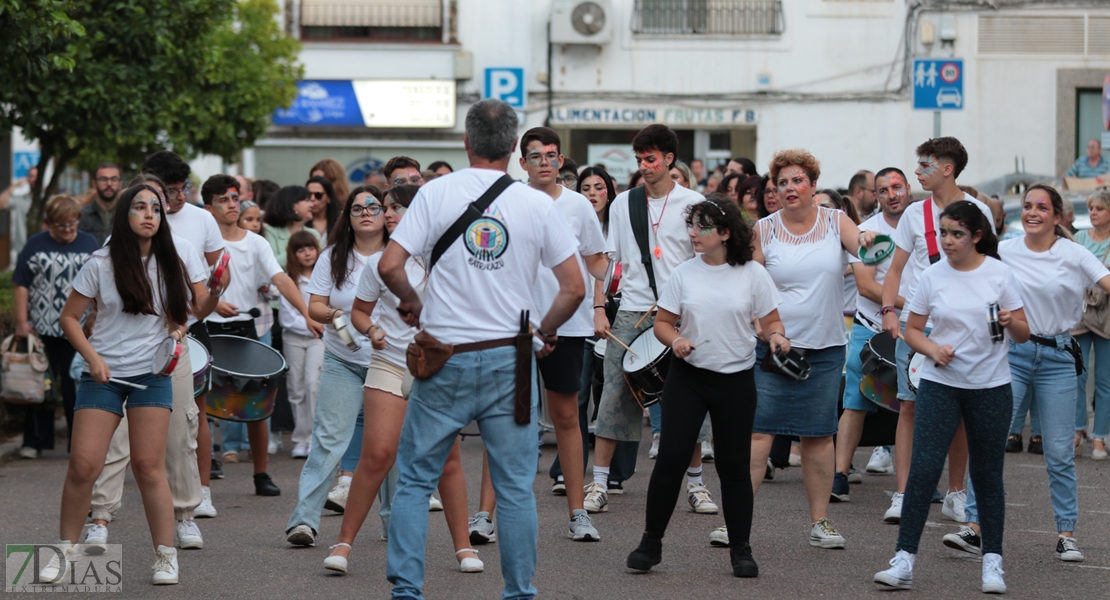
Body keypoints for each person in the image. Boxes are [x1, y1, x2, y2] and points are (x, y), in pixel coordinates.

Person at [377, 98, 583, 599]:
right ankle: (518, 592)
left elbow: (388, 265)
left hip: (442, 354)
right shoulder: (537, 203)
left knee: (414, 481)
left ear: (466, 143)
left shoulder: (433, 193)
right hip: (509, 358)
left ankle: (407, 591)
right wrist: (546, 330)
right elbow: (574, 287)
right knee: (514, 489)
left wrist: (412, 302)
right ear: (515, 148)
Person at [47, 181, 221, 585]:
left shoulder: (173, 261)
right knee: (82, 466)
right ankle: (64, 550)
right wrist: (92, 358)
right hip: (104, 377)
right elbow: (69, 318)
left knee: (148, 466)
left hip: (151, 375)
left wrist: (210, 297)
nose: (149, 215)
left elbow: (190, 313)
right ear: (124, 215)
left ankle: (164, 555)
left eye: (155, 210)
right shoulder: (101, 262)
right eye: (140, 207)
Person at [940, 185, 1109, 565]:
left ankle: (1066, 534)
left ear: (1058, 215)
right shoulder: (1006, 249)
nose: (1033, 212)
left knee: (1060, 451)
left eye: (1042, 207)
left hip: (1058, 356)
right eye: (1028, 206)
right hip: (1009, 354)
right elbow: (962, 266)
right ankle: (974, 527)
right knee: (989, 441)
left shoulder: (1074, 253)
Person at [324, 184, 481, 575]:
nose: (387, 213)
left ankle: (464, 549)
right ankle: (342, 544)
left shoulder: (447, 259)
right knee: (377, 455)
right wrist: (371, 330)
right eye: (386, 207)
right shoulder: (379, 262)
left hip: (440, 367)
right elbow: (359, 313)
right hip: (390, 363)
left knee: (447, 460)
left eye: (396, 207)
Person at [626, 198, 786, 578]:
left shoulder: (753, 274)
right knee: (670, 460)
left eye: (703, 226)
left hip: (736, 380)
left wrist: (778, 338)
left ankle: (741, 549)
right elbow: (663, 323)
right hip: (689, 378)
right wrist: (674, 340)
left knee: (733, 467)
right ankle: (651, 542)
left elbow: (772, 322)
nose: (694, 232)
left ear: (727, 232)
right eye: (692, 225)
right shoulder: (684, 273)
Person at [873, 200, 1028, 594]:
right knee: (924, 471)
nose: (947, 240)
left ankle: (993, 563)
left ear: (977, 236)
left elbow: (1025, 331)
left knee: (988, 476)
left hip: (992, 388)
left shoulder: (999, 273)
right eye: (943, 232)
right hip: (941, 385)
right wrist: (931, 349)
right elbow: (912, 330)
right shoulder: (932, 276)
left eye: (956, 233)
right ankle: (903, 560)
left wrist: (1013, 322)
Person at [743, 149, 873, 550]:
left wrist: (870, 239)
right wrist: (764, 330)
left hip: (825, 346)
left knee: (818, 436)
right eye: (781, 183)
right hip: (774, 347)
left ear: (813, 185)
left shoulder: (837, 221)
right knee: (758, 434)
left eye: (798, 180)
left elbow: (865, 247)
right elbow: (748, 285)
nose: (790, 188)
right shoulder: (762, 230)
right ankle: (737, 523)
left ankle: (821, 522)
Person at [584, 124, 712, 517]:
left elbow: (707, 260)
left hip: (681, 314)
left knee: (686, 398)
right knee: (614, 397)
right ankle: (600, 483)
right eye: (639, 160)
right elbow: (611, 262)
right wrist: (599, 307)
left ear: (670, 159)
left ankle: (697, 486)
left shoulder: (695, 202)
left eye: (651, 159)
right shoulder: (625, 203)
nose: (645, 166)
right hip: (634, 309)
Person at [879, 137, 994, 524]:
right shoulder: (914, 214)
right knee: (908, 407)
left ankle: (956, 492)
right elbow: (894, 270)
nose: (917, 171)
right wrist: (888, 311)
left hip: (962, 326)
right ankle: (903, 492)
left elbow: (991, 268)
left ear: (948, 168)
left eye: (925, 164)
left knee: (961, 411)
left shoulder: (978, 211)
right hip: (917, 324)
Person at [202, 174, 320, 496]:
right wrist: (214, 302)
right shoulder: (199, 242)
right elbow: (192, 285)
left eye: (234, 198)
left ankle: (261, 474)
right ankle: (207, 464)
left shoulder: (256, 242)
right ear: (209, 207)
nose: (231, 205)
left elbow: (281, 279)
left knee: (257, 402)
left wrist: (307, 312)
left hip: (250, 327)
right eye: (224, 200)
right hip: (207, 325)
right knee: (203, 403)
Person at [284, 184, 385, 546]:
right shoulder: (332, 256)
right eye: (358, 209)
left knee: (387, 447)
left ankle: (393, 523)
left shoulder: (399, 254)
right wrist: (336, 315)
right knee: (328, 441)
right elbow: (314, 306)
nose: (366, 213)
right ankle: (304, 522)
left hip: (388, 363)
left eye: (373, 206)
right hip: (343, 359)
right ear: (349, 217)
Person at [830, 168, 910, 502]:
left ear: (907, 189)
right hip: (871, 327)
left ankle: (918, 478)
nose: (892, 194)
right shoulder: (867, 232)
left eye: (897, 187)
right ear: (874, 196)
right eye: (883, 190)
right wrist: (917, 305)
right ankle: (840, 475)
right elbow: (865, 286)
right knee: (856, 402)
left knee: (913, 406)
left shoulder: (925, 226)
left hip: (915, 330)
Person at [13, 195, 100, 459]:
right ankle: (35, 442)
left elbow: (100, 282)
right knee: (40, 387)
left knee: (77, 387)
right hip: (42, 328)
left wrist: (96, 315)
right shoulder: (35, 245)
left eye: (73, 224)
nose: (68, 230)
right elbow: (22, 283)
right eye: (62, 225)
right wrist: (21, 321)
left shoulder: (89, 243)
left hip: (79, 329)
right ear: (50, 222)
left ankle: (80, 445)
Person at [1071, 190, 1110, 459]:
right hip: (1081, 314)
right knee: (1077, 374)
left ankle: (1100, 438)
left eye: (1099, 208)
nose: (1093, 212)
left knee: (1105, 380)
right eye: (1091, 208)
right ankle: (1077, 431)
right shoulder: (1080, 238)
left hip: (1107, 316)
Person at [281, 231, 324, 459]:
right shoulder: (289, 279)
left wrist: (316, 325)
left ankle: (315, 438)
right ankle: (300, 439)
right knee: (296, 389)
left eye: (310, 248)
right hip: (294, 339)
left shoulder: (324, 276)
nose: (307, 253)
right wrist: (312, 323)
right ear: (293, 254)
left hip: (318, 339)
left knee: (313, 384)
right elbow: (288, 317)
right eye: (301, 249)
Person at [263, 185, 319, 269]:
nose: (312, 205)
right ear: (293, 205)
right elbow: (272, 265)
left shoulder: (313, 234)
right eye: (307, 200)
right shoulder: (270, 232)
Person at [79, 163, 121, 245]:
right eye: (103, 179)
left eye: (114, 179)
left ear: (120, 184)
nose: (109, 184)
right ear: (94, 183)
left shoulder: (127, 214)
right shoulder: (81, 215)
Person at [1, 166, 37, 260]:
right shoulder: (20, 199)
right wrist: (14, 186)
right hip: (22, 248)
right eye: (31, 176)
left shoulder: (48, 201)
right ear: (28, 178)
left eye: (37, 176)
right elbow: (1, 203)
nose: (34, 180)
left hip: (44, 248)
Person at [305, 176, 339, 245]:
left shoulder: (340, 222)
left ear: (328, 198)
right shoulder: (300, 223)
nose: (312, 199)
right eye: (309, 194)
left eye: (318, 195)